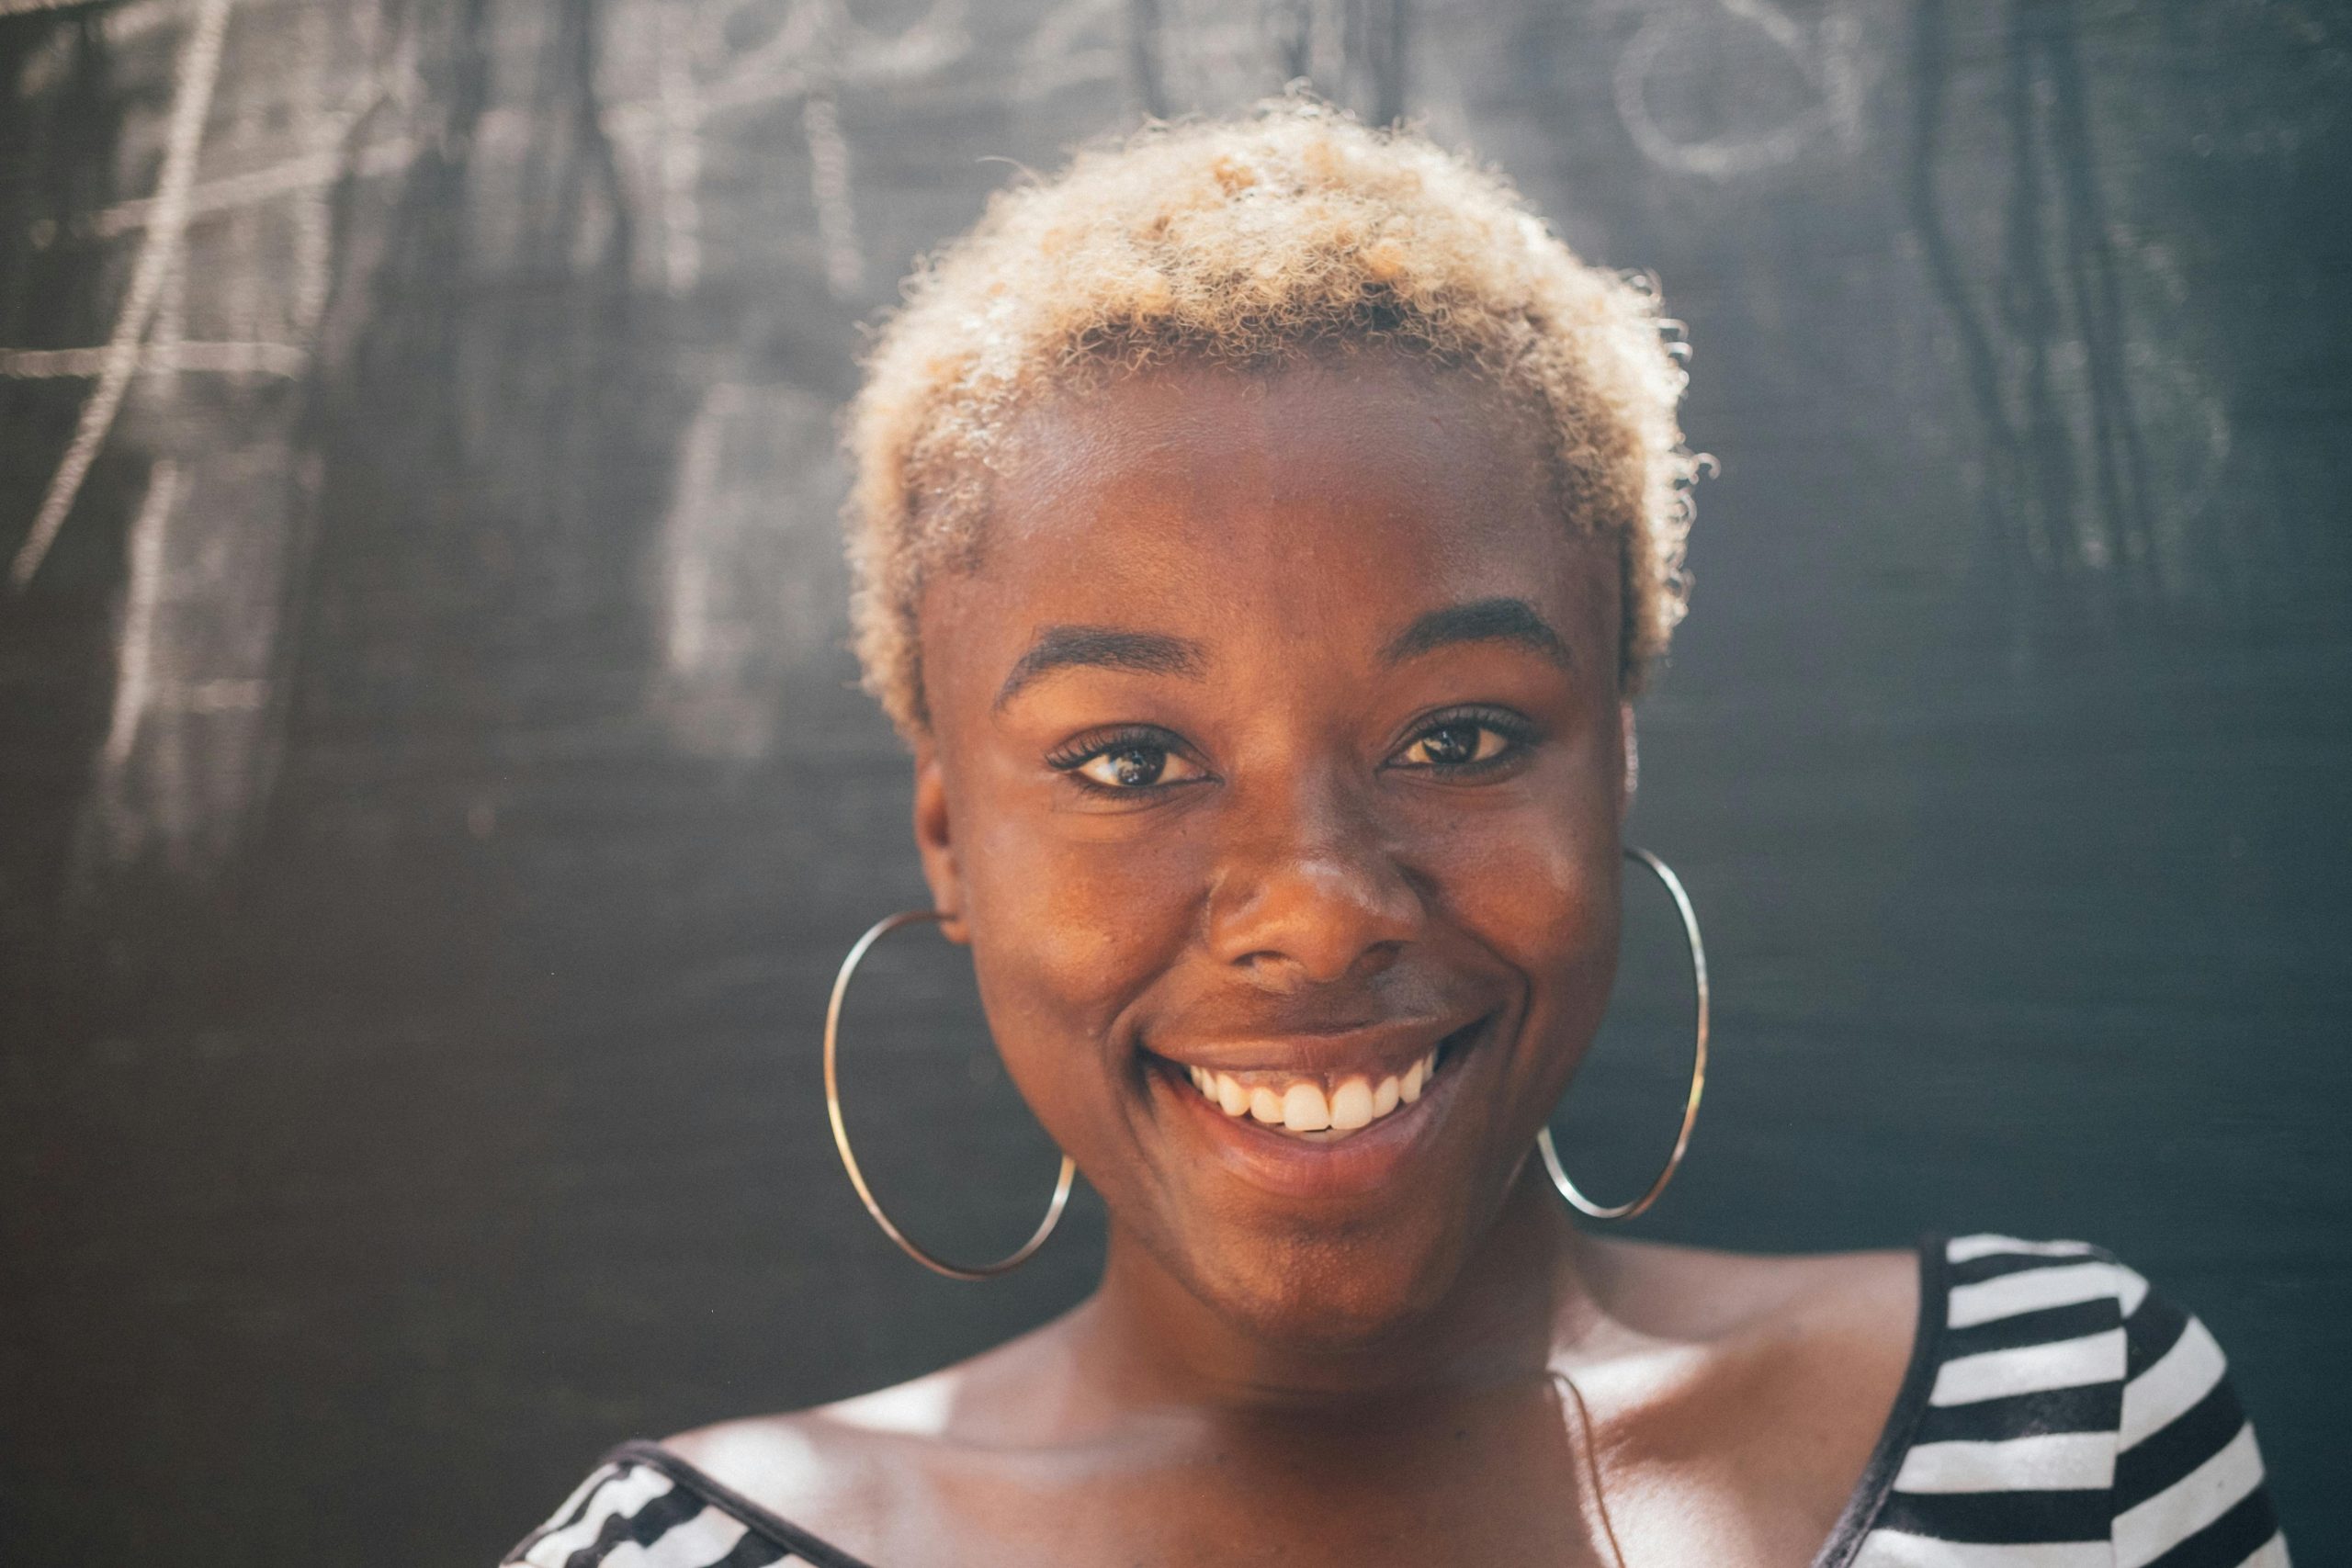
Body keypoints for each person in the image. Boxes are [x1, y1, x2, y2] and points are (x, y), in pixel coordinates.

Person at [503, 103, 2285, 1568]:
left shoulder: (2065, 1431)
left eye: (1458, 734)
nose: (1319, 907)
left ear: (1617, 762)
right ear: (948, 836)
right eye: (1128, 756)